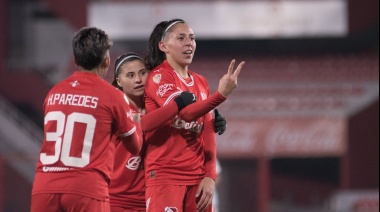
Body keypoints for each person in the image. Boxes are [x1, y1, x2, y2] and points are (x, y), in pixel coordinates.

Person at [30, 27, 143, 212]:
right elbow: (134, 146)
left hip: (44, 185)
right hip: (86, 186)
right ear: (107, 61)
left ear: (75, 60)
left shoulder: (53, 93)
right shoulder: (112, 96)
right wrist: (136, 122)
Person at [143, 18, 245, 212]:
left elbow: (208, 132)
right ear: (163, 45)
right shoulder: (159, 76)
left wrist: (210, 175)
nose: (189, 43)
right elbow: (186, 114)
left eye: (192, 38)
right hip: (166, 176)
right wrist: (221, 95)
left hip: (197, 178)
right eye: (181, 38)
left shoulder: (200, 82)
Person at [108, 52, 227, 212]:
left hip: (152, 197)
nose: (138, 80)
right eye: (130, 75)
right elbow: (139, 123)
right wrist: (177, 105)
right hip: (118, 200)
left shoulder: (158, 105)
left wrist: (210, 123)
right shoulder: (115, 107)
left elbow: (183, 123)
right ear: (119, 81)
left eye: (143, 73)